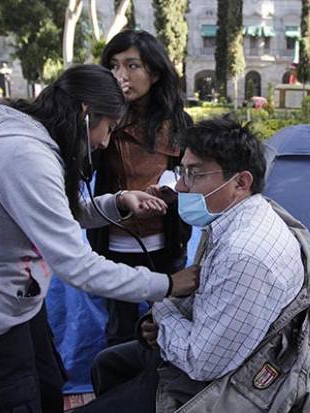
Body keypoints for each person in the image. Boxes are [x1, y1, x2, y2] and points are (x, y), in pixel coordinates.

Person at [0, 64, 199, 413]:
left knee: (46, 389)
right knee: (14, 402)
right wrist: (166, 284)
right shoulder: (24, 155)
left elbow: (53, 214)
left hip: (14, 303)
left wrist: (118, 202)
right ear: (85, 114)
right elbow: (78, 267)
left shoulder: (29, 140)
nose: (104, 141)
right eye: (108, 128)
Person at [78, 118, 310, 413]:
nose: (180, 186)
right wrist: (163, 321)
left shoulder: (244, 254)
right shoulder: (235, 216)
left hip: (230, 386)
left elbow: (202, 364)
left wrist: (161, 313)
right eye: (182, 171)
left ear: (241, 182)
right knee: (107, 363)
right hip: (222, 354)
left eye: (194, 175)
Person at [88, 29, 192, 346]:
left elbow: (192, 172)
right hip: (114, 243)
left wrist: (172, 185)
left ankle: (160, 390)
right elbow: (79, 173)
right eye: (114, 66)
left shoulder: (180, 123)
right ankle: (118, 385)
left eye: (132, 66)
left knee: (165, 323)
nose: (122, 76)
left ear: (155, 72)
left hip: (166, 241)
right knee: (119, 329)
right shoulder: (101, 119)